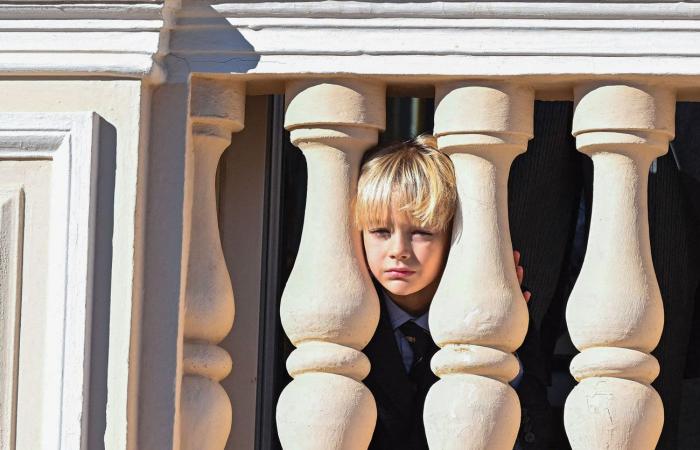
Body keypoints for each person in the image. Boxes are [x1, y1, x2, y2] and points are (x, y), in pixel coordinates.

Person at [354, 134, 552, 449]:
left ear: (452, 235)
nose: (399, 250)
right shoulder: (347, 316)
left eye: (421, 232)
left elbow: (536, 430)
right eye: (380, 231)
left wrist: (504, 357)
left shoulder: (502, 312)